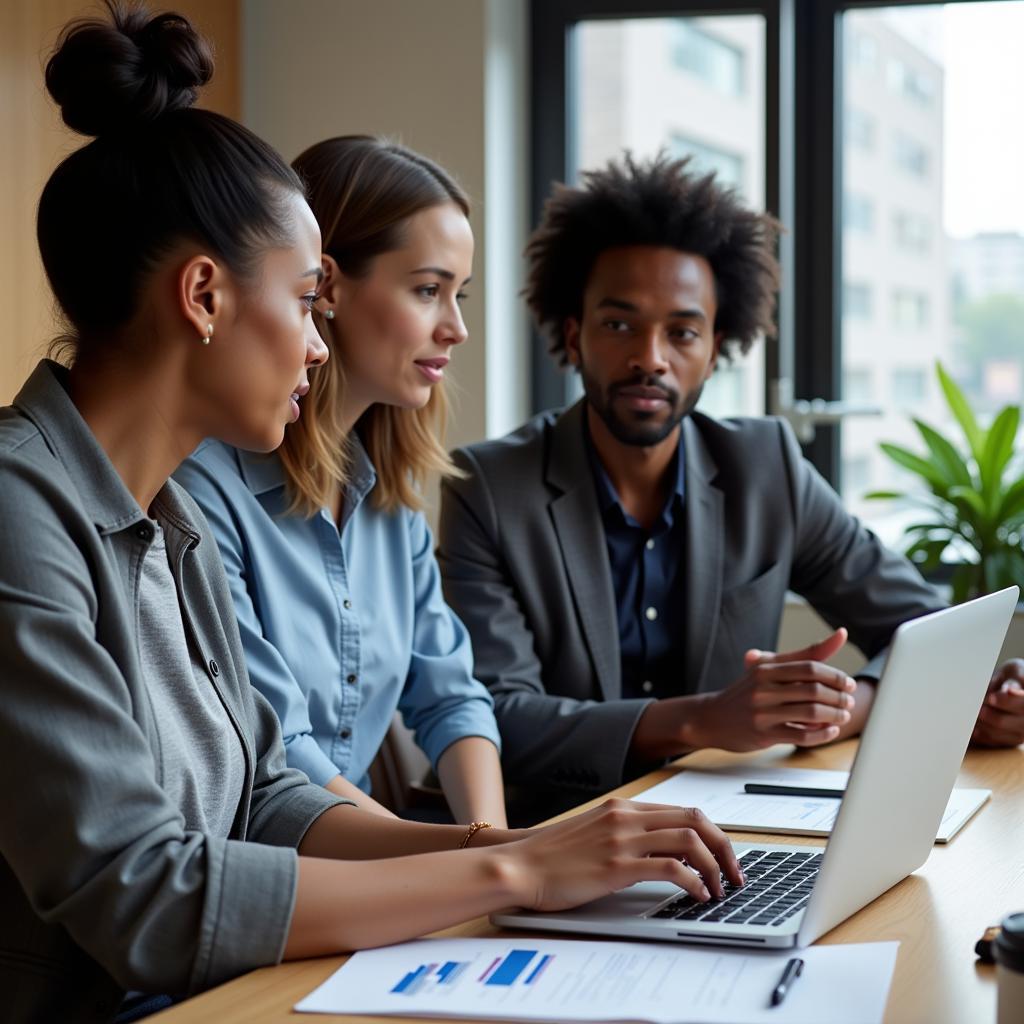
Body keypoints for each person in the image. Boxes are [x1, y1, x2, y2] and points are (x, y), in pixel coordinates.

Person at [0, 12, 743, 1021]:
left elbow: (268, 794)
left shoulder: (161, 516)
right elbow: (148, 895)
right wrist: (510, 875)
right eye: (308, 300)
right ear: (205, 296)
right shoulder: (19, 513)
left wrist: (525, 849)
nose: (317, 342)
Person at [437, 153, 1024, 823]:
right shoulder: (487, 489)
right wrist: (703, 721)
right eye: (620, 324)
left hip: (739, 831)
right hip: (558, 831)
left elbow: (926, 629)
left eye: (682, 332)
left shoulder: (765, 466)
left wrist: (844, 706)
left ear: (716, 349)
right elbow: (495, 718)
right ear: (574, 335)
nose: (651, 357)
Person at [175, 137, 507, 825]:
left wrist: (493, 847)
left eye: (459, 294)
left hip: (364, 860)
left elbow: (451, 698)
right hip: (264, 870)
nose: (458, 328)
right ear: (326, 287)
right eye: (427, 290)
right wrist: (476, 870)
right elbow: (281, 754)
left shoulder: (388, 501)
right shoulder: (203, 492)